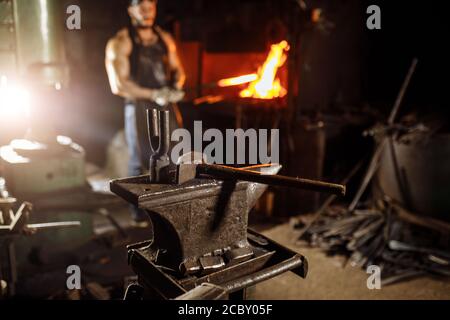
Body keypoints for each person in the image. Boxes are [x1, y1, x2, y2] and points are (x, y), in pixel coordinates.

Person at [105, 0, 186, 223]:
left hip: (166, 104)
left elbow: (179, 71)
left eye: (151, 5)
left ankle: (168, 212)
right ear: (131, 10)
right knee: (141, 160)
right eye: (141, 6)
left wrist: (176, 87)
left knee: (174, 156)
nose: (147, 11)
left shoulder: (164, 39)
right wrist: (152, 95)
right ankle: (139, 215)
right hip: (139, 106)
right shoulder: (121, 42)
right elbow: (119, 85)